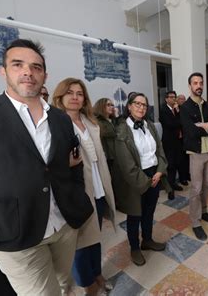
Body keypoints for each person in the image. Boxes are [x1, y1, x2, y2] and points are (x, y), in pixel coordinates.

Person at [0, 39, 93, 295]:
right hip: (15, 236)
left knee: (64, 285)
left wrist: (77, 197)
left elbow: (74, 164)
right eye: (18, 64)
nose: (28, 72)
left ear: (44, 74)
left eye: (36, 67)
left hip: (64, 225)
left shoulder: (59, 119)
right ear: (3, 71)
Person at [52, 78, 116, 295]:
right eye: (69, 92)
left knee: (95, 237)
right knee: (79, 244)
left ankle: (97, 273)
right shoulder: (56, 124)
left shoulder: (90, 122)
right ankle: (87, 283)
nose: (75, 97)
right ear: (60, 97)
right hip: (76, 193)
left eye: (79, 93)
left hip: (97, 188)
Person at [112, 93, 171, 265]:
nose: (141, 107)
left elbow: (159, 150)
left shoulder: (150, 125)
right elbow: (126, 164)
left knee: (149, 211)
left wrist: (160, 172)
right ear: (129, 106)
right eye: (137, 104)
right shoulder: (122, 130)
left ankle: (147, 240)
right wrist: (146, 182)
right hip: (135, 178)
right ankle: (135, 248)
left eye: (144, 105)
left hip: (154, 174)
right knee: (135, 215)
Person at [179, 72, 208, 241]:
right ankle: (196, 222)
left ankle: (203, 212)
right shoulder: (185, 107)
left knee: (207, 184)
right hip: (196, 153)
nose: (199, 86)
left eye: (201, 82)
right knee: (196, 188)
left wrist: (205, 125)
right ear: (190, 86)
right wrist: (206, 125)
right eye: (195, 83)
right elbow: (190, 131)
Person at [159, 91, 184, 192]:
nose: (174, 99)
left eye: (175, 97)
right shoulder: (164, 110)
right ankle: (169, 187)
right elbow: (170, 124)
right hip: (169, 141)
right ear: (166, 99)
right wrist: (179, 122)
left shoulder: (176, 109)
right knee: (170, 164)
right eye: (171, 97)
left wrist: (178, 112)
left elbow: (181, 121)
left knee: (177, 162)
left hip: (177, 140)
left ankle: (173, 183)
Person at [93, 98, 117, 173]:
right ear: (101, 107)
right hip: (107, 157)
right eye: (108, 105)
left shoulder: (112, 120)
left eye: (112, 105)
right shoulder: (98, 121)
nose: (111, 107)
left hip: (116, 156)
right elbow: (113, 133)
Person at [176, 94, 190, 185]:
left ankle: (187, 175)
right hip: (178, 138)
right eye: (180, 99)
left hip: (187, 137)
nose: (182, 100)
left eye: (184, 99)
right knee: (181, 159)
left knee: (187, 158)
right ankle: (182, 178)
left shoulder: (186, 109)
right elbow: (177, 122)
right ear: (177, 100)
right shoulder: (175, 110)